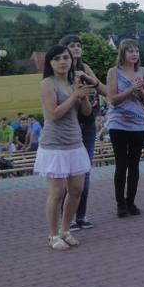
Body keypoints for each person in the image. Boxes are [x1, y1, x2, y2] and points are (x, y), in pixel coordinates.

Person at [33, 45, 93, 251]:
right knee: (57, 193)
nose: (62, 62)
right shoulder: (47, 84)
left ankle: (65, 230)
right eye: (57, 58)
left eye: (65, 58)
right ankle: (53, 235)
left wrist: (83, 96)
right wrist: (74, 96)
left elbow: (86, 112)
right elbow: (54, 114)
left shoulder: (74, 82)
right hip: (54, 145)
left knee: (76, 189)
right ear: (50, 63)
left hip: (75, 142)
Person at [60, 34, 107, 231]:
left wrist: (89, 79)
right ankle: (67, 217)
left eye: (79, 45)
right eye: (72, 45)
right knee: (68, 171)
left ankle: (81, 215)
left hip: (87, 122)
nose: (77, 48)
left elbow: (105, 91)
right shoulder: (59, 71)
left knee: (84, 170)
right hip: (68, 123)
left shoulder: (85, 68)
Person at [106, 39, 144, 218]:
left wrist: (140, 90)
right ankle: (121, 204)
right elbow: (112, 99)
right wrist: (131, 88)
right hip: (118, 123)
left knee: (134, 164)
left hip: (137, 124)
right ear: (123, 53)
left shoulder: (142, 71)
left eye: (136, 51)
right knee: (121, 163)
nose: (134, 54)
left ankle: (131, 201)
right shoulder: (114, 72)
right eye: (130, 51)